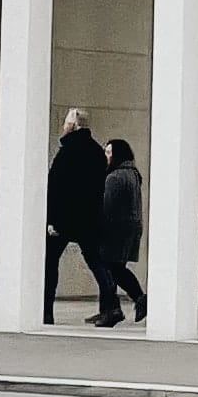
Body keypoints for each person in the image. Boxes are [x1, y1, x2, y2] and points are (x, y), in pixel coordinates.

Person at [45, 108, 118, 326]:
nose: (64, 125)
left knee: (49, 264)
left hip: (64, 219)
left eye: (67, 121)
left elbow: (56, 188)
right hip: (89, 219)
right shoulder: (96, 151)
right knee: (97, 263)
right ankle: (112, 306)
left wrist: (52, 220)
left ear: (75, 125)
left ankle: (46, 311)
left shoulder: (67, 151)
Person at [99, 138, 148, 324]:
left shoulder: (115, 177)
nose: (106, 156)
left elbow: (107, 207)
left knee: (111, 268)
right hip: (130, 228)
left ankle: (135, 300)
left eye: (109, 152)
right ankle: (110, 307)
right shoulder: (133, 174)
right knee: (115, 268)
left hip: (116, 230)